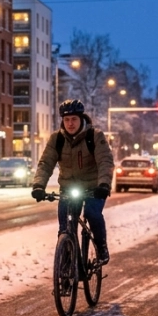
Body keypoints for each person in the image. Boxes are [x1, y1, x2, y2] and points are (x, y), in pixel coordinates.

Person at [30, 100, 116, 265]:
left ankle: (101, 246)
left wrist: (104, 185)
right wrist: (39, 185)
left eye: (74, 119)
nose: (70, 123)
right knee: (65, 226)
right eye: (67, 119)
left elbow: (105, 161)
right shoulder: (57, 139)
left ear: (81, 118)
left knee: (92, 214)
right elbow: (45, 163)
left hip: (94, 188)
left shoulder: (94, 136)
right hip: (68, 188)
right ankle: (67, 264)